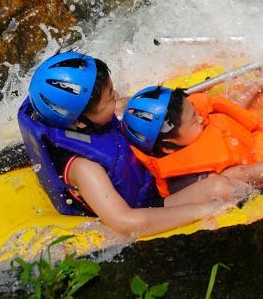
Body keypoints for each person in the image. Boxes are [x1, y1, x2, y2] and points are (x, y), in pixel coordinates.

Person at [17, 52, 246, 237]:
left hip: (146, 168)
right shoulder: (85, 168)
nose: (116, 96)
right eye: (110, 97)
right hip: (151, 202)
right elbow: (126, 223)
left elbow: (126, 107)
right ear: (79, 121)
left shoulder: (83, 120)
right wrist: (206, 209)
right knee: (220, 188)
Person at [122, 85, 263, 199]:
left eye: (195, 112)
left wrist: (259, 83)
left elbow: (222, 111)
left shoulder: (187, 130)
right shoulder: (204, 175)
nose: (201, 118)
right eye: (194, 121)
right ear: (167, 147)